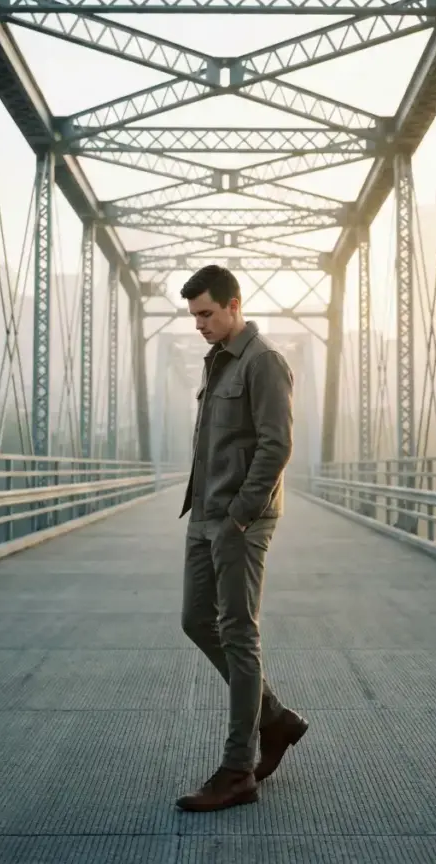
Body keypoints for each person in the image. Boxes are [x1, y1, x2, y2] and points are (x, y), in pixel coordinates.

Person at [175, 264, 308, 813]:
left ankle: (238, 770)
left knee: (238, 633)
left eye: (207, 313)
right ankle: (273, 717)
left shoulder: (264, 362)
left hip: (239, 520)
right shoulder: (217, 360)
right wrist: (211, 513)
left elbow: (276, 446)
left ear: (235, 304)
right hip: (205, 513)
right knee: (194, 620)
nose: (199, 324)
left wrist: (239, 515)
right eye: (194, 316)